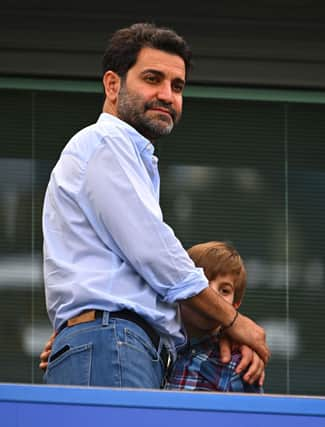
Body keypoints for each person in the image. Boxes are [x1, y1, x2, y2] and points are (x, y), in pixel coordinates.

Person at [42, 22, 269, 389]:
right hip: (112, 342)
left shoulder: (125, 153)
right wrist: (233, 321)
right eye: (152, 79)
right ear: (113, 85)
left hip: (119, 344)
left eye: (177, 86)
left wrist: (215, 328)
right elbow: (155, 252)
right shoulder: (105, 141)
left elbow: (137, 278)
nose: (167, 95)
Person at [166, 241, 264, 392]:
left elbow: (252, 414)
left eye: (224, 290)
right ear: (181, 289)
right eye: (202, 285)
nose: (212, 296)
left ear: (235, 305)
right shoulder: (156, 344)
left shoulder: (236, 364)